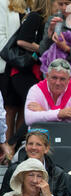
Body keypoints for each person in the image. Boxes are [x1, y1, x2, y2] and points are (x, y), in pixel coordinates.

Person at [7, 0, 53, 152]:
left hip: (31, 72)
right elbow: (21, 41)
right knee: (33, 111)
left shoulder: (42, 19)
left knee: (27, 111)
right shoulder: (35, 16)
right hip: (23, 72)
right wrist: (42, 49)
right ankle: (10, 145)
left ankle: (15, 145)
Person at [0, 129, 69, 196]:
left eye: (38, 144)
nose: (33, 148)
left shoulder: (58, 174)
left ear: (46, 148)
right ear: (25, 147)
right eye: (30, 144)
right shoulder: (13, 170)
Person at [24, 58, 71, 126]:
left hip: (67, 132)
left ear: (69, 79)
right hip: (42, 131)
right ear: (47, 76)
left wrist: (44, 111)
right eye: (54, 78)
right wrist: (60, 114)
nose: (57, 83)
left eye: (62, 79)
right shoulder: (35, 89)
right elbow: (29, 119)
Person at [0, 0, 24, 144]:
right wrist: (15, 57)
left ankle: (16, 149)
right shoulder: (3, 3)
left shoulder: (31, 5)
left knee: (23, 106)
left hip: (25, 65)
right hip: (8, 64)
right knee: (9, 108)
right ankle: (5, 147)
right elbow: (1, 37)